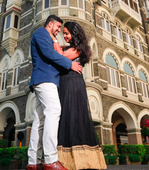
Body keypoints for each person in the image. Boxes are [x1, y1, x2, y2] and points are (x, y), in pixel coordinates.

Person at [28, 15, 83, 170]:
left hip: (45, 80)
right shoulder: (41, 32)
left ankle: (33, 162)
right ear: (50, 24)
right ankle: (50, 160)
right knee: (54, 111)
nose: (59, 31)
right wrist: (70, 64)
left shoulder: (48, 36)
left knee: (40, 121)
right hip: (45, 79)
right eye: (58, 27)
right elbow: (49, 54)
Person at [52, 22, 106, 170]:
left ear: (74, 34)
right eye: (63, 33)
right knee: (66, 118)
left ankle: (80, 162)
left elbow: (61, 57)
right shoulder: (71, 47)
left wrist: (55, 41)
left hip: (72, 85)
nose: (64, 36)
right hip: (65, 84)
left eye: (66, 33)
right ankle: (66, 160)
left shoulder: (77, 48)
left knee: (73, 118)